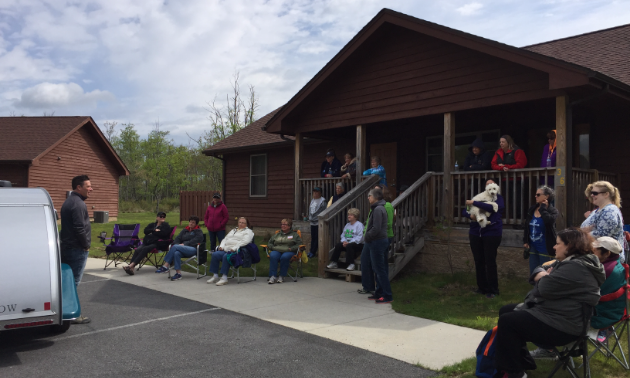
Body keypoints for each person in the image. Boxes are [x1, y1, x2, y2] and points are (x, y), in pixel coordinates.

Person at [495, 228, 605, 378]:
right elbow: (541, 270)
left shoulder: (575, 267)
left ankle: (516, 373)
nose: (554, 247)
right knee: (507, 310)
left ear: (570, 246)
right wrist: (544, 274)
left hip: (564, 326)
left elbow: (544, 288)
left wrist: (542, 276)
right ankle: (521, 362)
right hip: (557, 315)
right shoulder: (574, 262)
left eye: (557, 243)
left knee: (508, 322)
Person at [59, 174, 93, 324]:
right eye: (88, 186)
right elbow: (79, 228)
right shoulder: (78, 204)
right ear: (79, 187)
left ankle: (62, 310)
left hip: (67, 246)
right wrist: (85, 245)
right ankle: (71, 313)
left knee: (66, 281)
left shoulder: (69, 201)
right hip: (76, 248)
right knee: (72, 283)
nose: (91, 189)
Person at [464, 178, 504, 299]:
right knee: (478, 261)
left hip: (492, 233)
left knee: (490, 262)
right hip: (476, 232)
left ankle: (493, 290)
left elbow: (491, 208)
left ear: (496, 186)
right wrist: (470, 216)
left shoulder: (499, 199)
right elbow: (465, 209)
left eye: (492, 184)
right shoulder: (480, 197)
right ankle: (482, 288)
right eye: (487, 184)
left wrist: (473, 203)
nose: (490, 186)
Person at [359, 188, 393, 304]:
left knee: (379, 269)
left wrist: (367, 236)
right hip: (378, 241)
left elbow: (376, 228)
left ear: (376, 197)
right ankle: (378, 293)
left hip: (378, 241)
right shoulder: (377, 208)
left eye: (370, 196)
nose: (368, 198)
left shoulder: (378, 209)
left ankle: (387, 295)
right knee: (377, 268)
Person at [591, 236, 627, 343]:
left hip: (602, 315)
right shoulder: (615, 264)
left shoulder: (605, 269)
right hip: (614, 311)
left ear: (607, 254)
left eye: (595, 250)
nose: (592, 253)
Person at [581, 180, 625, 262]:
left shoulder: (610, 210)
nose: (592, 195)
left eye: (595, 193)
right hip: (597, 257)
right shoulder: (597, 210)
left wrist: (583, 234)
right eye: (591, 193)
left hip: (608, 259)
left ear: (606, 194)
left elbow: (604, 234)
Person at [206, 217, 254, 286]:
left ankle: (224, 277)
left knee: (227, 256)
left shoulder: (248, 231)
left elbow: (245, 241)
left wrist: (234, 248)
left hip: (239, 251)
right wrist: (221, 246)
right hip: (226, 249)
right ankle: (215, 275)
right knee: (215, 254)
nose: (241, 224)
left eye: (243, 223)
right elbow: (225, 239)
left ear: (246, 224)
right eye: (240, 222)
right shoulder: (233, 230)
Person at [155, 216, 204, 281]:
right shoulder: (185, 230)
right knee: (176, 253)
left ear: (196, 224)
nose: (191, 224)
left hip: (193, 249)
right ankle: (178, 274)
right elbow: (177, 238)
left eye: (193, 223)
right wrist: (178, 244)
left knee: (175, 247)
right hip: (182, 249)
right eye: (190, 222)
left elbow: (196, 240)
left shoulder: (198, 231)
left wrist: (184, 244)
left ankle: (165, 266)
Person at [523, 186, 558, 275]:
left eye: (538, 194)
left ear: (546, 196)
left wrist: (543, 209)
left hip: (545, 247)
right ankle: (535, 288)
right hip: (533, 246)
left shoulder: (552, 211)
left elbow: (548, 221)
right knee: (534, 271)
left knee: (545, 272)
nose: (535, 196)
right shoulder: (532, 209)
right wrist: (526, 240)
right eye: (535, 194)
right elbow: (527, 226)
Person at [267, 219, 302, 284]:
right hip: (277, 250)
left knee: (284, 257)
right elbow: (270, 243)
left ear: (289, 226)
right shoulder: (277, 234)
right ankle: (272, 276)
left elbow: (299, 244)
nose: (282, 226)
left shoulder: (295, 235)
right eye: (282, 224)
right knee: (273, 255)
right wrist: (272, 247)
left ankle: (282, 275)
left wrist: (292, 248)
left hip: (289, 251)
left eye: (285, 224)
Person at [307, 187, 326, 258]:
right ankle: (311, 251)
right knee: (313, 237)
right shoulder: (313, 200)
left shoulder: (322, 201)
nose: (315, 193)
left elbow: (321, 211)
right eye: (314, 192)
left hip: (318, 222)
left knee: (317, 238)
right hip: (312, 222)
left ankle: (313, 252)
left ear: (320, 193)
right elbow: (310, 210)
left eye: (317, 192)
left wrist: (314, 218)